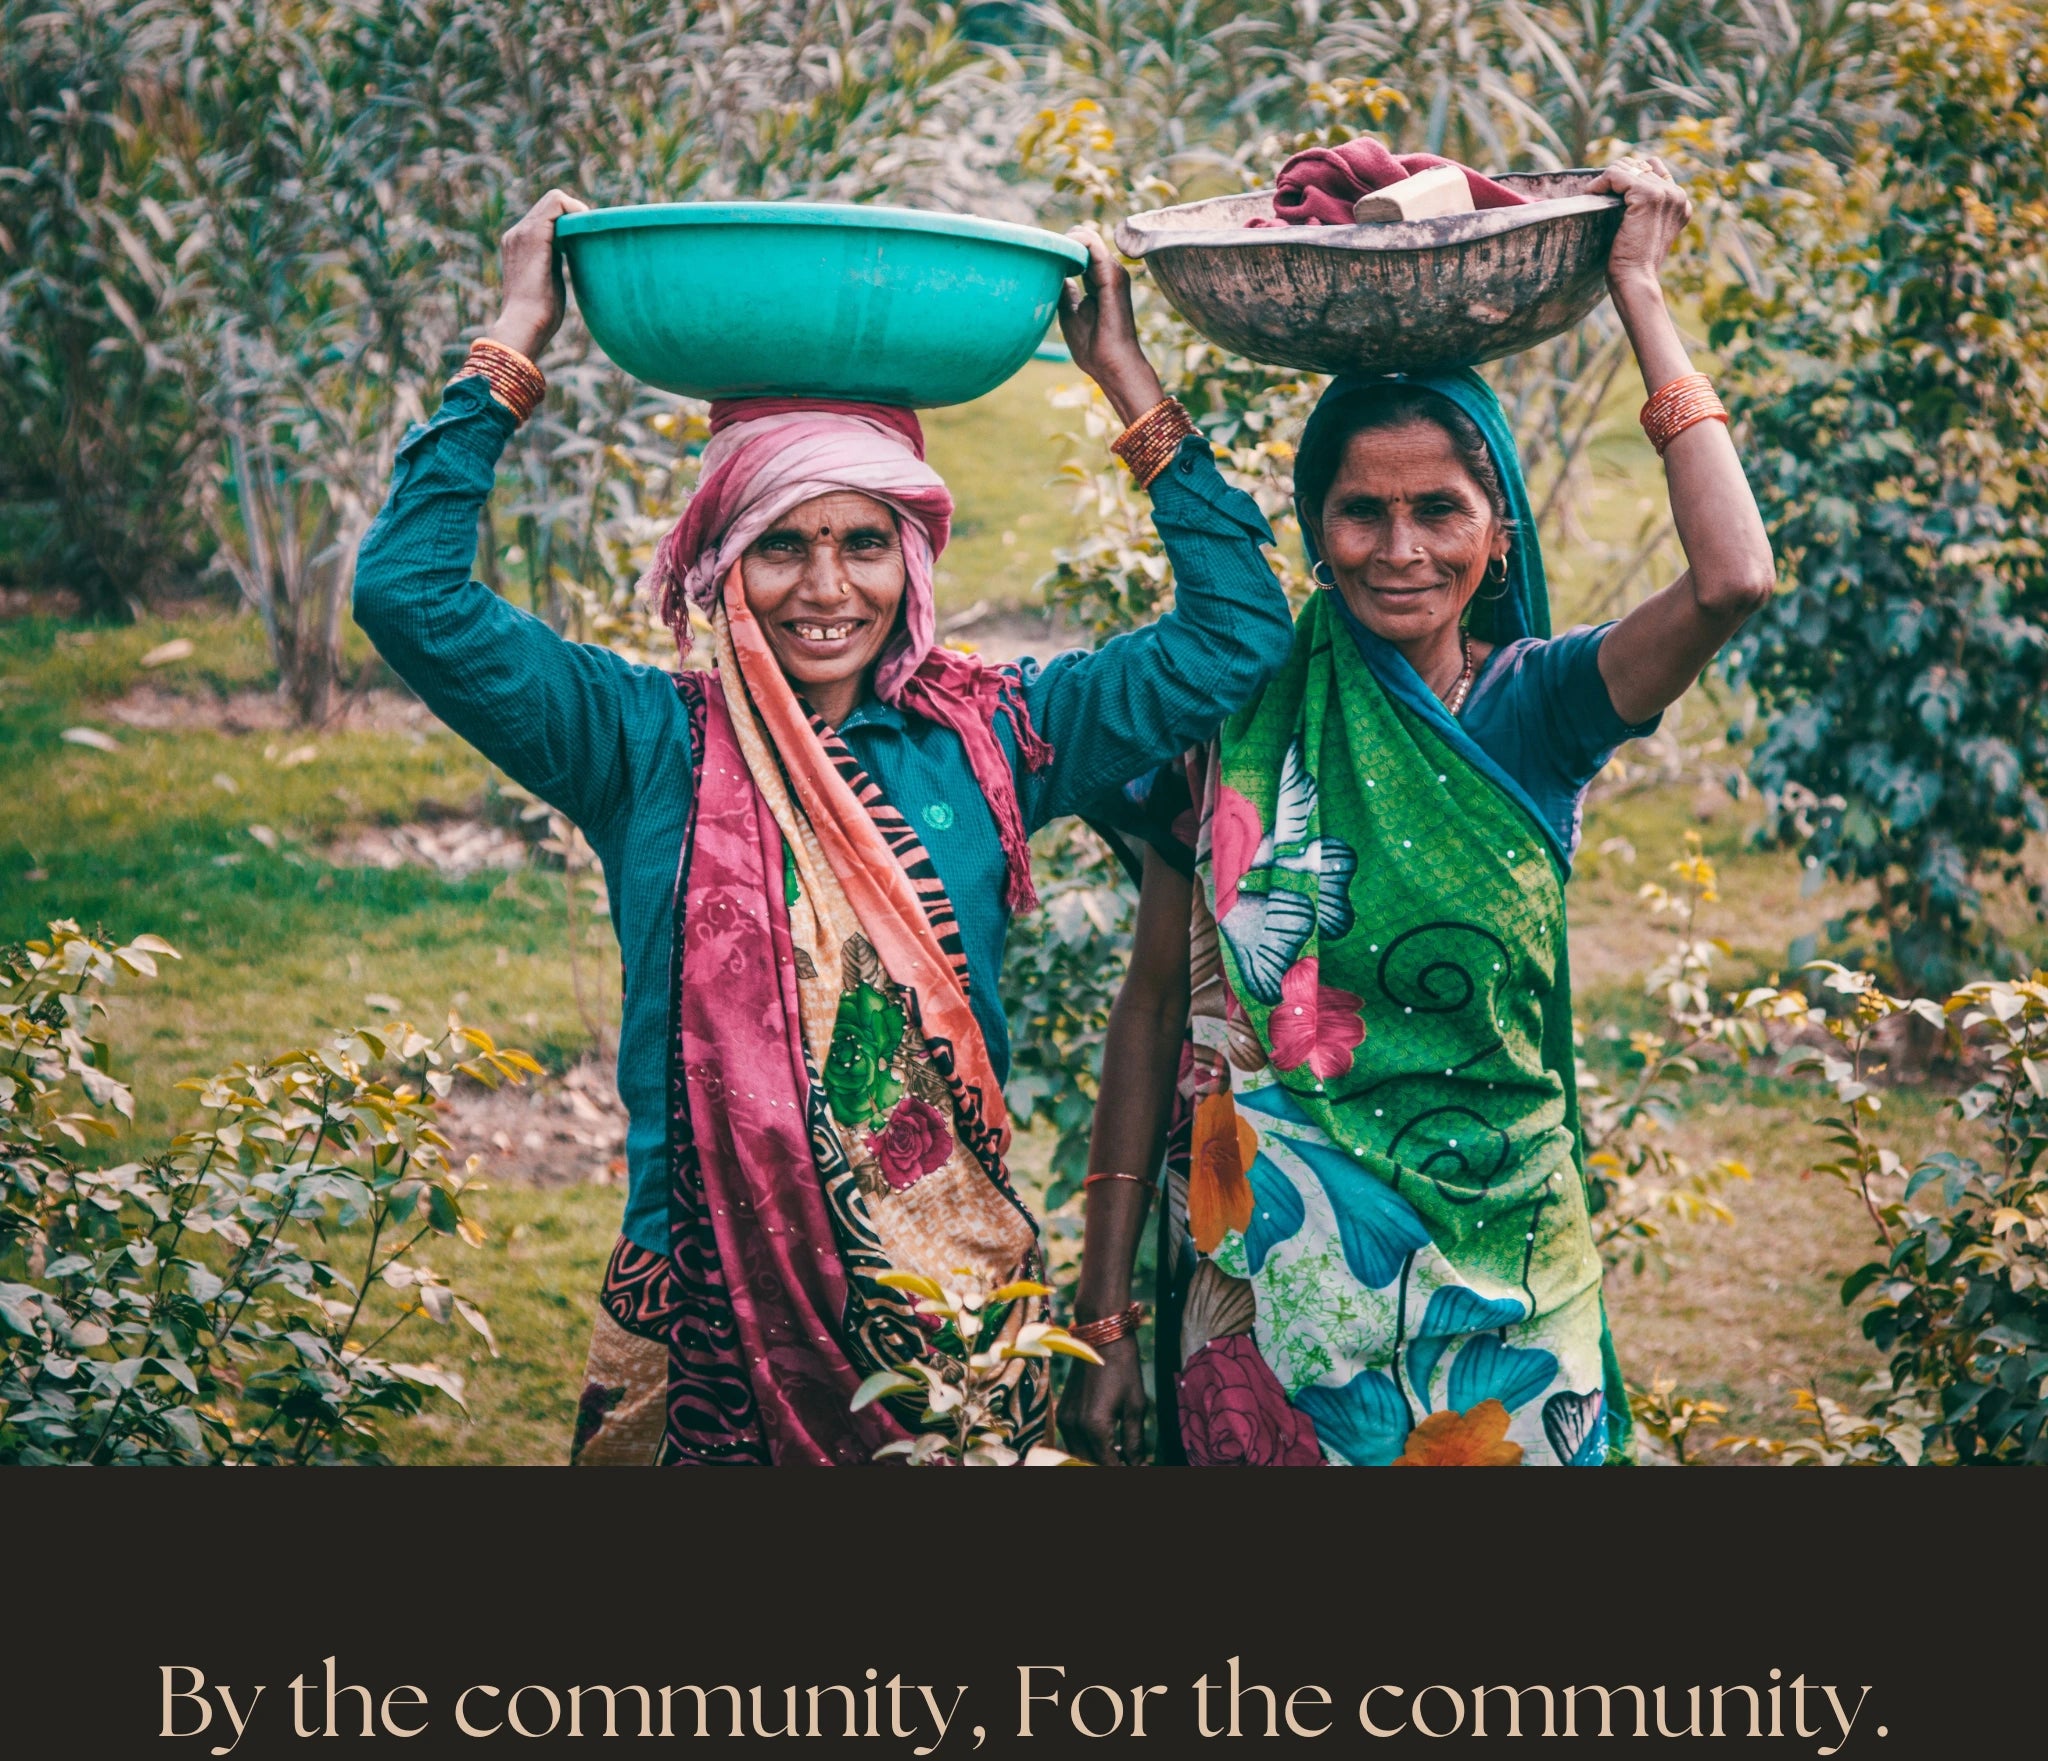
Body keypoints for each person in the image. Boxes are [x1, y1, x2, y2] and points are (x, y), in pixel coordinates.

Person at [352, 190, 1295, 1466]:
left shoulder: (995, 735)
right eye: (780, 544)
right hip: (700, 1322)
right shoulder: (638, 743)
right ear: (718, 561)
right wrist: (514, 339)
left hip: (947, 1322)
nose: (825, 587)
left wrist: (1124, 378)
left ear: (911, 559)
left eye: (863, 541)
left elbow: (1236, 630)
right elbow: (408, 593)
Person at [1064, 152, 1776, 1467]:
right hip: (1275, 1294)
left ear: (1498, 533)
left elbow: (1733, 579)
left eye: (1439, 512)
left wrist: (1640, 292)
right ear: (1315, 531)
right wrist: (1103, 1307)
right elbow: (1155, 1001)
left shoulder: (1542, 707)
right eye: (1360, 514)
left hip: (1512, 1278)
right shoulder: (1242, 707)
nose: (1401, 550)